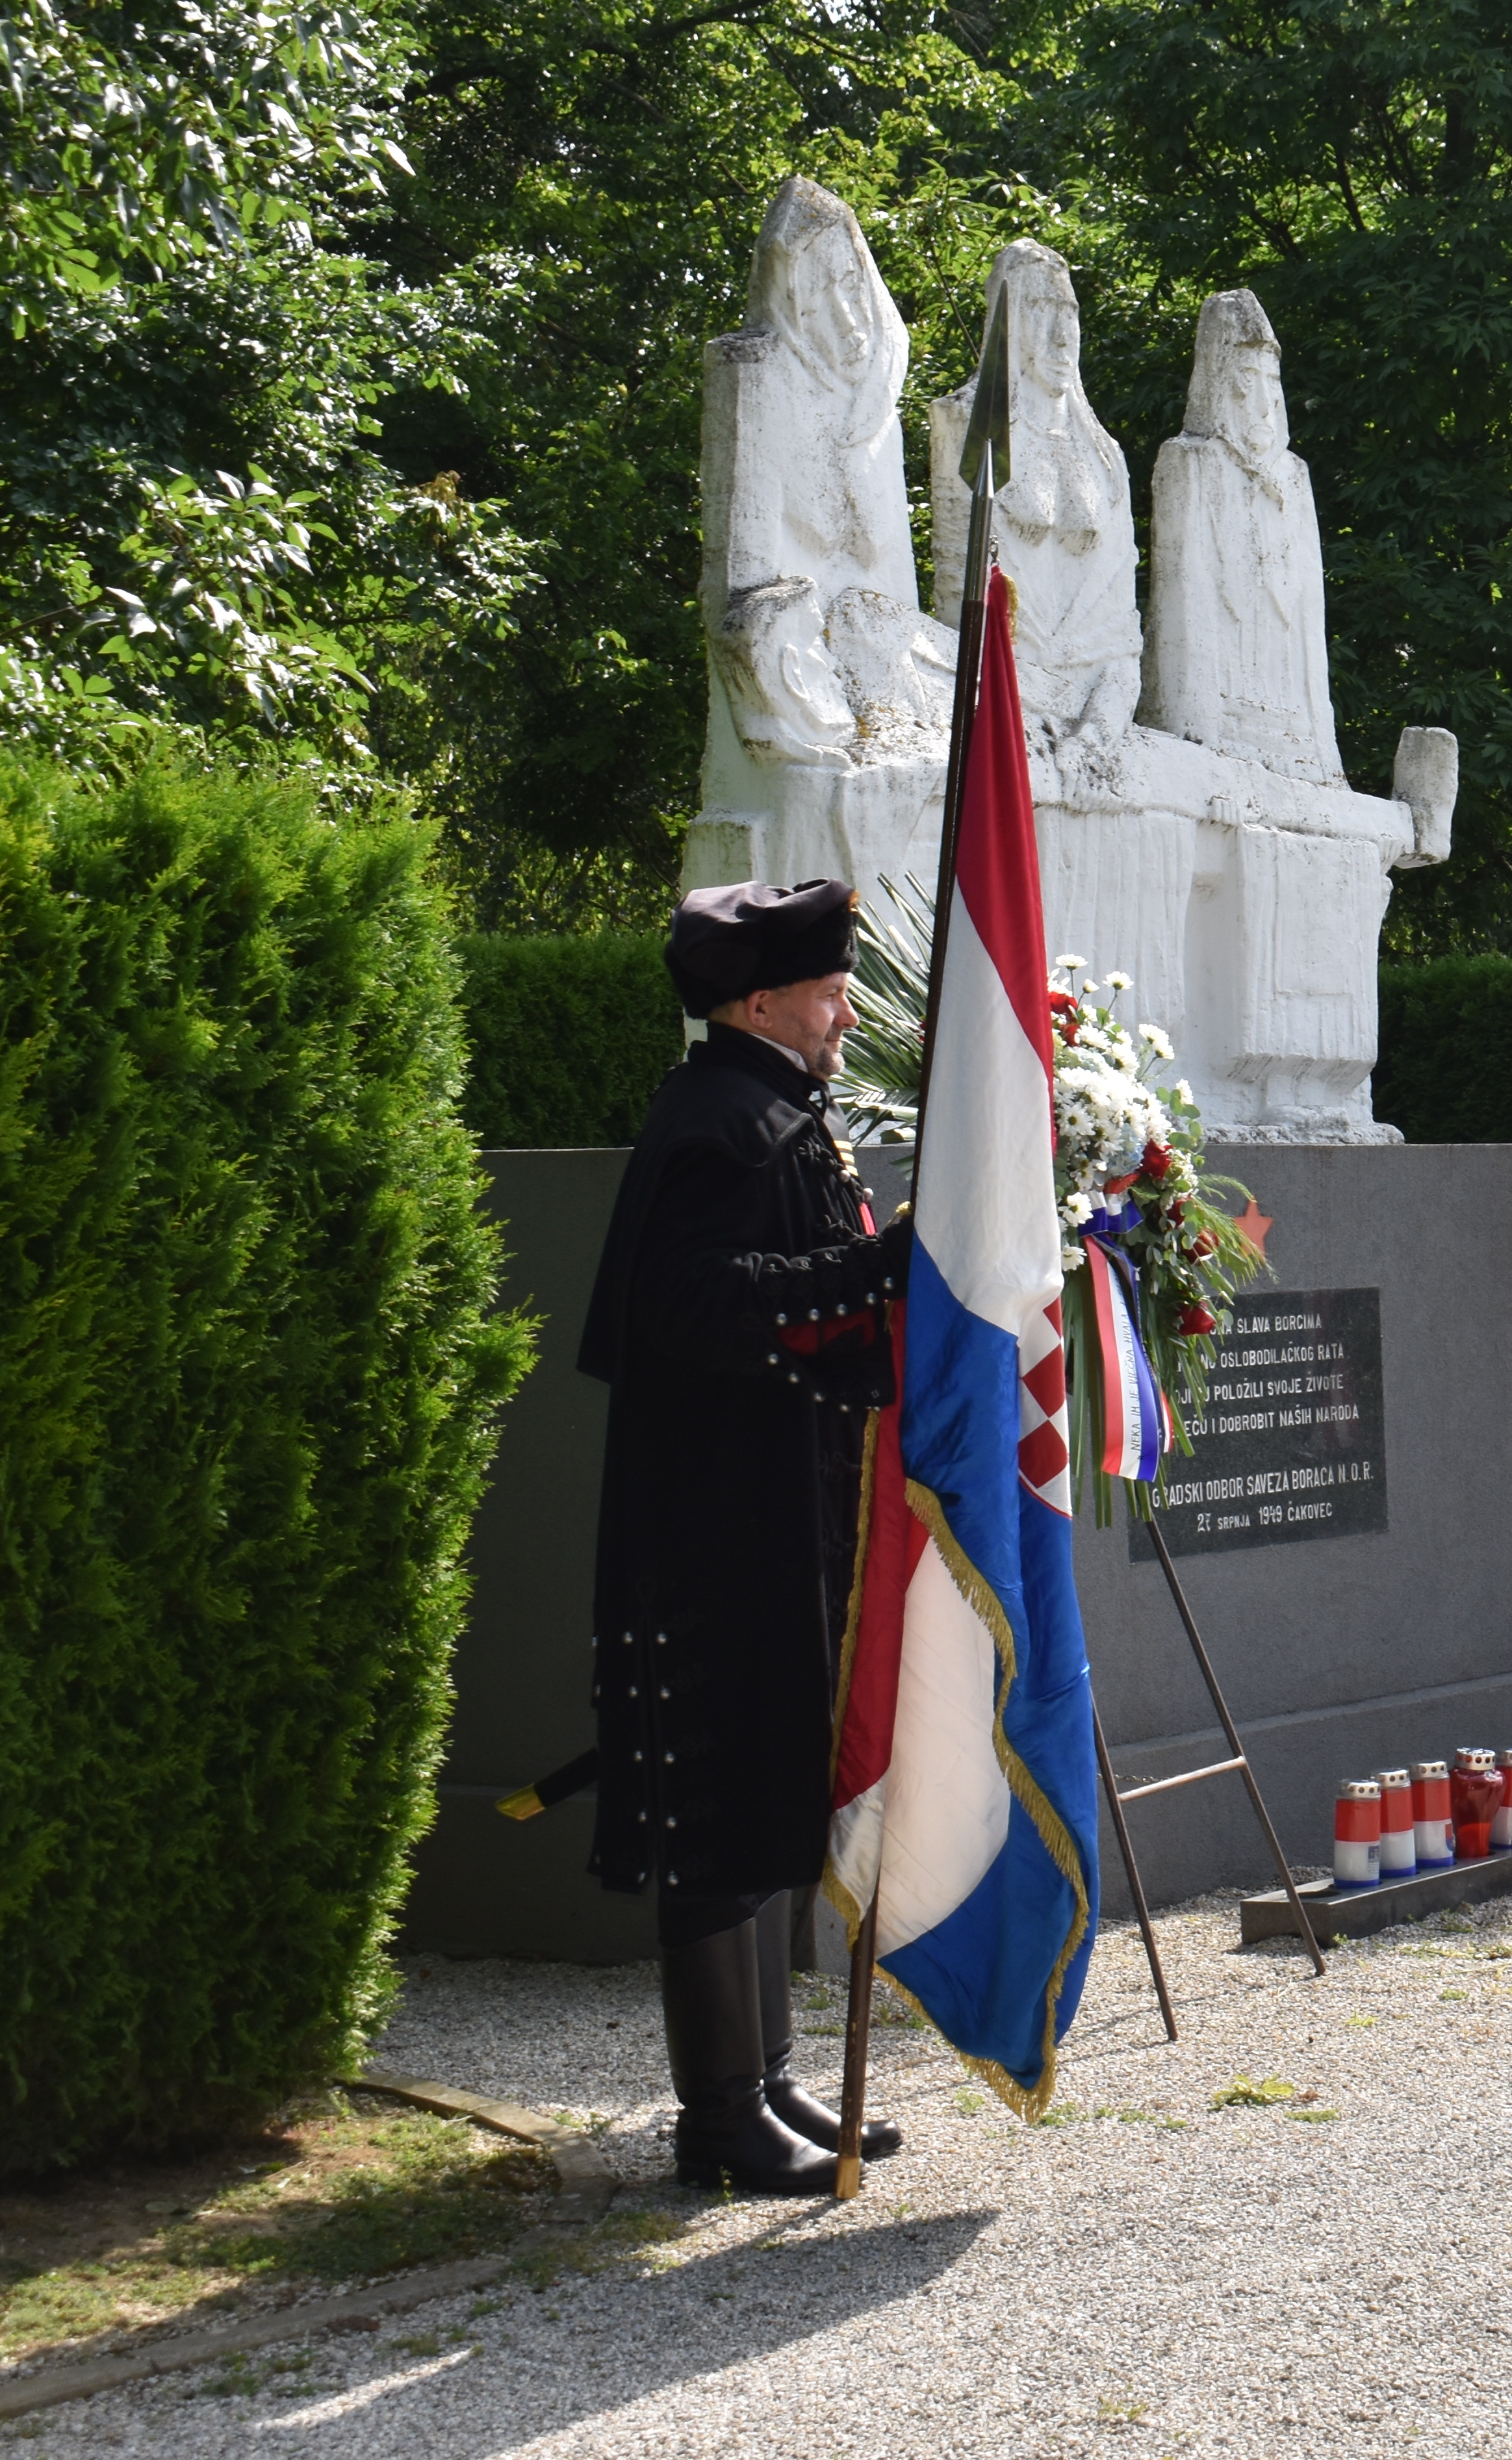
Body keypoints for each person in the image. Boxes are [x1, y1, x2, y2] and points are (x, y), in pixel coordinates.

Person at [577, 878, 912, 2194]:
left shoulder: (765, 1106)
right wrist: (870, 1272)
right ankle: (718, 2116)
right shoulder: (717, 1118)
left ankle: (767, 2082)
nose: (845, 1011)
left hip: (770, 1510)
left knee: (770, 1785)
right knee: (716, 1806)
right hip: (710, 1525)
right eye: (828, 989)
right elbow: (689, 1308)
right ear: (758, 999)